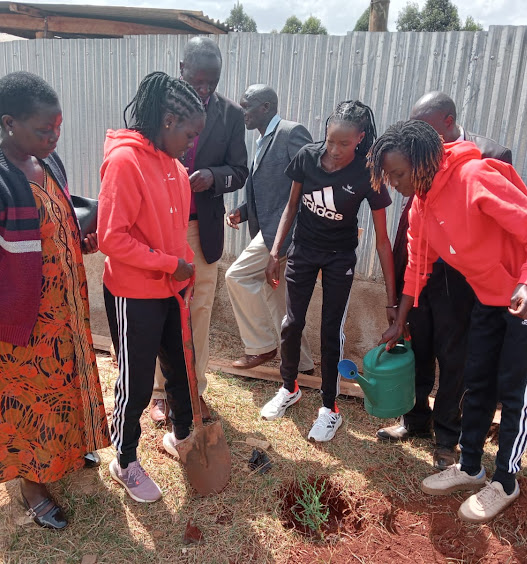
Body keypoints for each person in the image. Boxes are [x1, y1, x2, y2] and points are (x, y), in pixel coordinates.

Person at [369, 120, 527, 523]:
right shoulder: (423, 204)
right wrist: (400, 320)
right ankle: (471, 466)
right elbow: (417, 268)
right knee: (476, 379)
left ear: (423, 161)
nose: (393, 183)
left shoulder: (476, 177)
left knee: (517, 390)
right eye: (387, 176)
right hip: (490, 295)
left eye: (397, 174)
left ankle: (506, 481)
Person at [0, 71, 111, 530]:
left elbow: (50, 220)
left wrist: (78, 237)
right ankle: (32, 486)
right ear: (9, 122)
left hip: (64, 315)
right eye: (44, 129)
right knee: (24, 402)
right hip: (19, 323)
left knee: (60, 390)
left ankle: (67, 452)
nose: (54, 136)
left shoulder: (45, 162)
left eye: (58, 127)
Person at [376, 91, 513, 471]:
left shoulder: (489, 156)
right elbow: (414, 221)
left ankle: (447, 437)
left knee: (455, 358)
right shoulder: (414, 160)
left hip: (463, 283)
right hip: (419, 274)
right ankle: (414, 420)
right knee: (417, 351)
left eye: (427, 128)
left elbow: (502, 226)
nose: (418, 135)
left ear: (449, 121)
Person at [260, 100, 397, 442]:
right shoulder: (307, 157)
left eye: (345, 144)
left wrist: (392, 299)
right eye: (331, 141)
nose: (335, 151)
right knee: (291, 323)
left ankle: (329, 408)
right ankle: (289, 387)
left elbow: (382, 240)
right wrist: (276, 251)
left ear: (360, 139)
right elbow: (292, 206)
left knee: (330, 331)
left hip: (339, 257)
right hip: (304, 250)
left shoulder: (368, 173)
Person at [98, 72, 206, 503]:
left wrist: (187, 272)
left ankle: (181, 438)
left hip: (169, 291)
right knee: (138, 383)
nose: (191, 144)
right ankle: (124, 459)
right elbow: (111, 237)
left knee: (180, 370)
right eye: (189, 133)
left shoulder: (176, 168)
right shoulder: (124, 162)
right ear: (167, 120)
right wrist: (169, 265)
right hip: (133, 293)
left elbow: (177, 233)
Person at [149, 36, 249, 425]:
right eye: (198, 82)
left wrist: (214, 177)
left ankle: (193, 392)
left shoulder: (230, 115)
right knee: (161, 308)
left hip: (199, 229)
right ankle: (160, 393)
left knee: (200, 311)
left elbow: (239, 171)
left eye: (213, 82)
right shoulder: (157, 106)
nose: (205, 90)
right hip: (161, 227)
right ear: (182, 70)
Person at [225, 84, 314, 373]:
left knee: (236, 276)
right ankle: (301, 363)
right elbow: (269, 188)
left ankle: (260, 346)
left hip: (283, 232)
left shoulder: (291, 132)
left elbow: (309, 181)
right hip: (270, 228)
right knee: (276, 296)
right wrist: (243, 211)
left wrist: (297, 232)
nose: (243, 112)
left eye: (247, 106)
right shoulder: (263, 140)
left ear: (266, 107)